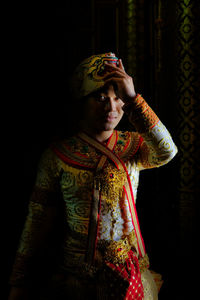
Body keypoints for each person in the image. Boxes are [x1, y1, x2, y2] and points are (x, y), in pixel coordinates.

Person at [8, 52, 178, 300]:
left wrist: (133, 100)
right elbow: (37, 222)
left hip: (131, 273)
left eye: (118, 98)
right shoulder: (58, 155)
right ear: (81, 102)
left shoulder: (134, 146)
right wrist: (19, 281)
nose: (111, 107)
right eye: (100, 98)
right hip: (79, 280)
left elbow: (167, 151)